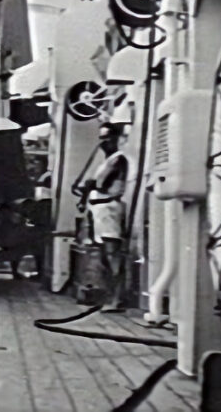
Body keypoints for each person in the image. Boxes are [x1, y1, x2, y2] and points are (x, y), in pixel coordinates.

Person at [78, 122, 129, 311]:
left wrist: (90, 184)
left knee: (112, 253)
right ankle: (108, 296)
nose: (104, 142)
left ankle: (117, 298)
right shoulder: (105, 161)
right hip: (98, 209)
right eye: (102, 138)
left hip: (109, 208)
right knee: (102, 255)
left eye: (108, 137)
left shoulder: (119, 159)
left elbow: (101, 184)